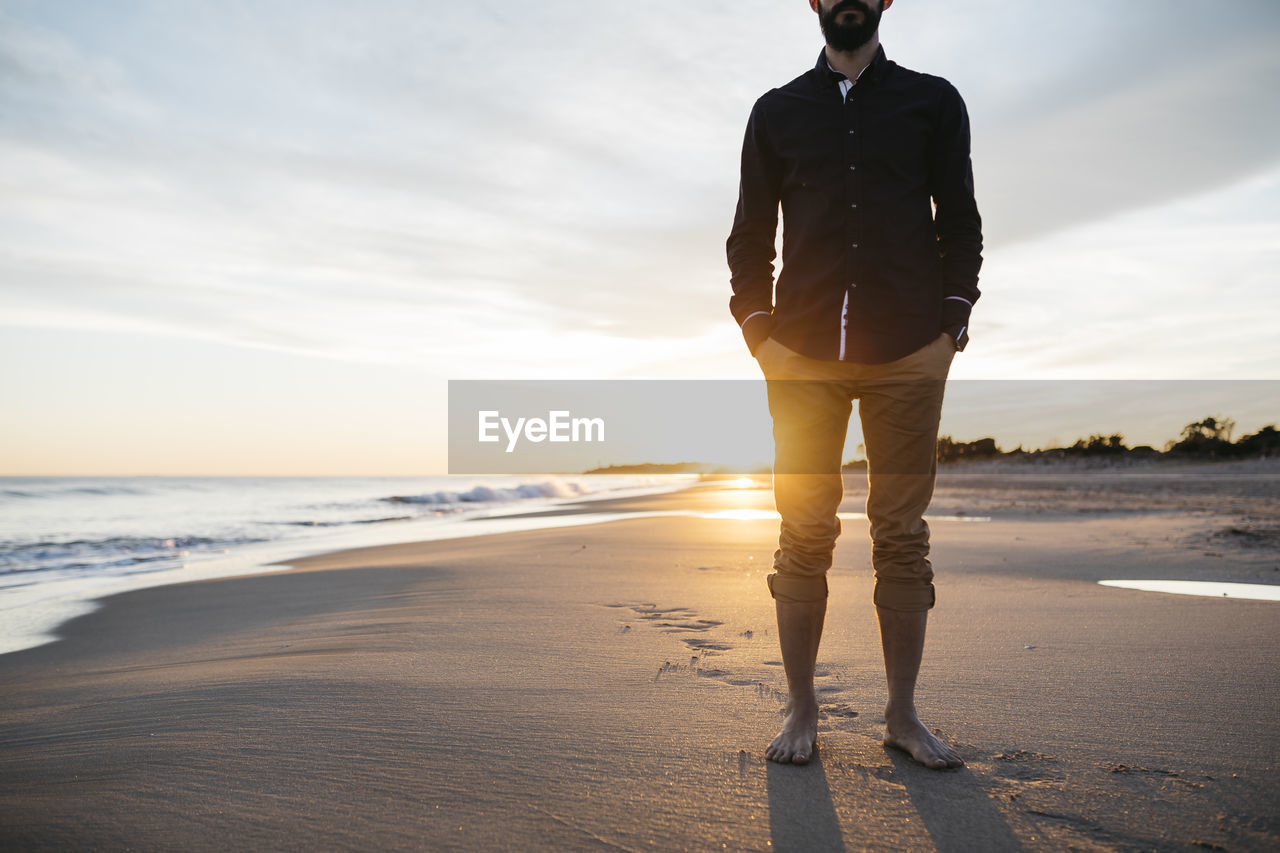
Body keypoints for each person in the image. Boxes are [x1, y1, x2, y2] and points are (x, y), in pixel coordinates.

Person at [726, 0, 982, 768]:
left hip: (909, 348)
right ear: (812, 1)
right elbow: (750, 231)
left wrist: (950, 332)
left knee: (901, 534)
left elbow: (960, 221)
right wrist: (758, 333)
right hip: (799, 352)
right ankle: (801, 707)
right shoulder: (776, 111)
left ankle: (903, 714)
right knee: (803, 530)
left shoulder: (932, 101)